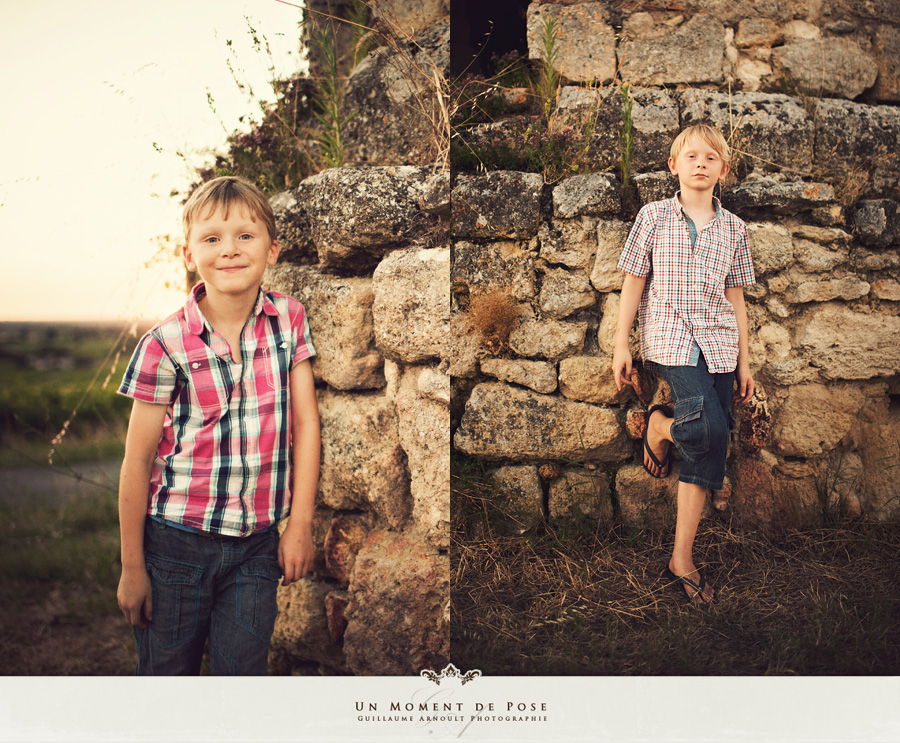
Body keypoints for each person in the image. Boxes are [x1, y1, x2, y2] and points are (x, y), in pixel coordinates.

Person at [116, 176, 320, 673]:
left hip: (257, 549)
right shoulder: (164, 344)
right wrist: (132, 566)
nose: (229, 249)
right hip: (173, 549)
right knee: (169, 682)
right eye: (212, 238)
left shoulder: (288, 320)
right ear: (189, 255)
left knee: (241, 682)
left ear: (272, 250)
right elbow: (137, 459)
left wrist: (301, 526)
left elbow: (306, 424)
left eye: (245, 236)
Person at [612, 124, 756, 604]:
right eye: (690, 156)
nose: (700, 164)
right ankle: (659, 426)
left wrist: (745, 361)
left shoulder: (734, 228)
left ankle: (682, 559)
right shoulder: (653, 217)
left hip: (718, 342)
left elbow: (735, 298)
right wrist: (621, 344)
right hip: (671, 340)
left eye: (710, 158)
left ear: (723, 170)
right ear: (673, 165)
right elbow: (633, 282)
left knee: (713, 444)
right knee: (708, 430)